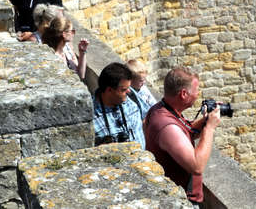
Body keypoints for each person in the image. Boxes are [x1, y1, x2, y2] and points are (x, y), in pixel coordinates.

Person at [144, 67, 221, 207]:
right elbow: (197, 166)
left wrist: (205, 121)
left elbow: (186, 132)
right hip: (181, 200)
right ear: (184, 94)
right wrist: (209, 128)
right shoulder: (167, 126)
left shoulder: (162, 109)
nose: (198, 94)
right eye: (196, 90)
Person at [93, 63, 146, 149]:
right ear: (109, 90)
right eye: (124, 90)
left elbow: (145, 119)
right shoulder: (91, 117)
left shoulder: (132, 97)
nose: (129, 91)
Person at [41, 15, 89, 80]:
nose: (74, 33)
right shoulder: (54, 57)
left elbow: (80, 75)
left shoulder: (67, 49)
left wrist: (82, 52)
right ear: (64, 34)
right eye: (72, 31)